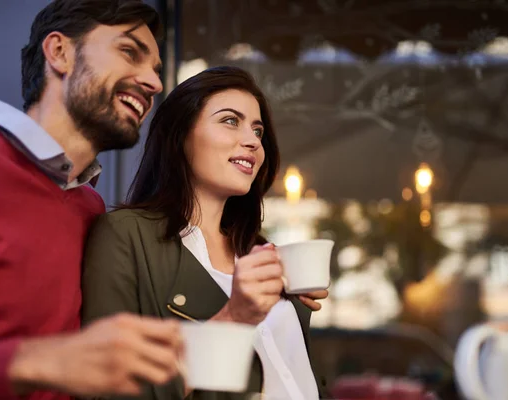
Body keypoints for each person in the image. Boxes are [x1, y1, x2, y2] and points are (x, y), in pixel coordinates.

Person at [0, 1, 183, 399]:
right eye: (129, 52)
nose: (153, 83)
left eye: (155, 70)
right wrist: (33, 362)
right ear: (60, 52)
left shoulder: (90, 207)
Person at [81, 66, 327, 400]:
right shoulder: (126, 237)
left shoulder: (262, 253)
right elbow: (108, 388)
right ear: (180, 136)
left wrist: (291, 304)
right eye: (230, 121)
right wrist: (234, 317)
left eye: (258, 130)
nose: (253, 141)